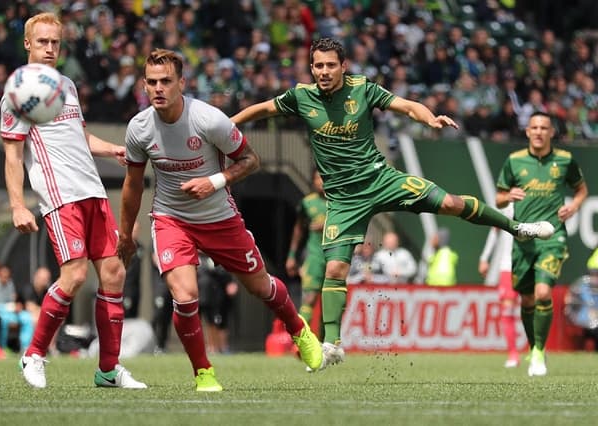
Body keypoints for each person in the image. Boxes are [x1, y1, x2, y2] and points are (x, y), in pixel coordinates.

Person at [231, 37, 556, 368]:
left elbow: (406, 105)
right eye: (318, 65)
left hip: (380, 179)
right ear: (311, 68)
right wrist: (228, 126)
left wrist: (428, 118)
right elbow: (263, 109)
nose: (324, 71)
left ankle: (517, 227)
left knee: (450, 203)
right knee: (335, 268)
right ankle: (332, 343)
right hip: (343, 199)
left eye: (331, 65)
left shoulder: (363, 88)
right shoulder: (301, 97)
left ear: (343, 66)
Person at [117, 48, 323, 392]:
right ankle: (204, 373)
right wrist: (126, 235)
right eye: (151, 82)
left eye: (166, 81)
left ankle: (299, 329)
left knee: (260, 287)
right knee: (184, 297)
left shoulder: (209, 119)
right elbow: (133, 184)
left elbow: (251, 160)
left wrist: (213, 181)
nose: (158, 88)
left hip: (219, 218)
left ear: (181, 83)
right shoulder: (138, 128)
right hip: (171, 219)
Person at [0, 12, 146, 389]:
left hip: (93, 191)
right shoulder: (17, 92)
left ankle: (109, 370)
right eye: (43, 41)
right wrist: (17, 204)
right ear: (28, 44)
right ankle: (34, 354)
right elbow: (13, 156)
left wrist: (112, 149)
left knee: (114, 273)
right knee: (75, 275)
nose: (50, 48)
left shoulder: (66, 84)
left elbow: (78, 135)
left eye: (55, 42)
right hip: (60, 195)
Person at [496, 111, 588, 377]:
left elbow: (581, 190)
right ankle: (535, 346)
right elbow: (498, 197)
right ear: (527, 132)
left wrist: (574, 206)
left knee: (543, 294)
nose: (538, 131)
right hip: (522, 239)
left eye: (543, 127)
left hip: (553, 236)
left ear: (551, 132)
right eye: (533, 127)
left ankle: (538, 353)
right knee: (526, 300)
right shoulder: (514, 161)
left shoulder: (565, 160)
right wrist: (507, 196)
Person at [478, 204, 521, 368]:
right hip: (507, 267)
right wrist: (484, 257)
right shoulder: (506, 205)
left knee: (532, 308)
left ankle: (537, 351)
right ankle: (513, 354)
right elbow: (494, 231)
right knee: (507, 310)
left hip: (528, 265)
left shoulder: (535, 199)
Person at [285, 169, 326, 336]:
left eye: (323, 178)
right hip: (314, 256)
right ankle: (303, 341)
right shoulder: (307, 203)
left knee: (331, 303)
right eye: (317, 178)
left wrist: (327, 225)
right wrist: (291, 256)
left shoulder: (340, 202)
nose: (320, 182)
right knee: (309, 298)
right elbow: (298, 229)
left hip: (336, 257)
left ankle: (326, 343)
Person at [197, 251, 238, 354]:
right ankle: (211, 347)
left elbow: (226, 274)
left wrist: (231, 283)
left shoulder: (219, 257)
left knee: (220, 321)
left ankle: (223, 347)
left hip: (219, 295)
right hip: (203, 295)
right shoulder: (197, 259)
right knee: (208, 322)